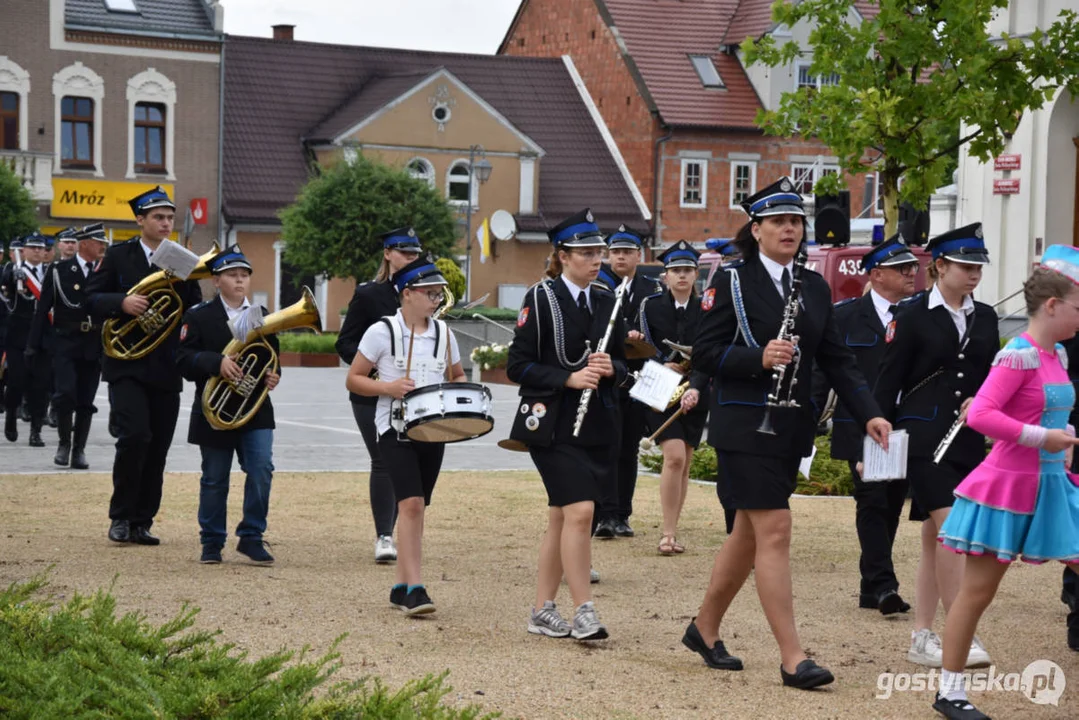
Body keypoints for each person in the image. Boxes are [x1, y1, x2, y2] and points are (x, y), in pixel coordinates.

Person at [687, 178, 891, 688]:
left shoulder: (815, 286)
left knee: (746, 536)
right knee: (774, 530)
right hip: (742, 425)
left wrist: (868, 412)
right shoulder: (729, 281)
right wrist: (757, 358)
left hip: (790, 426)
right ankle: (793, 657)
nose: (790, 229)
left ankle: (703, 628)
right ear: (756, 229)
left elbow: (838, 360)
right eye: (778, 221)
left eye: (796, 221)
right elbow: (706, 354)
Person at [931, 246, 1079, 720]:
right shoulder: (1017, 355)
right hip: (1007, 487)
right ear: (1053, 306)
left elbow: (1047, 413)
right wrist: (1044, 437)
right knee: (977, 593)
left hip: (1052, 486)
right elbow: (980, 414)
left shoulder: (1057, 354)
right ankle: (950, 693)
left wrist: (1064, 439)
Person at [873, 223, 999, 670]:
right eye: (965, 266)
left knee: (934, 537)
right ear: (939, 266)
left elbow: (989, 375)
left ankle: (921, 635)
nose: (973, 275)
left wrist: (983, 399)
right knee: (953, 529)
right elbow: (888, 381)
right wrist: (869, 441)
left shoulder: (986, 316)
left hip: (966, 439)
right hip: (922, 438)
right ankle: (959, 632)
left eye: (978, 267)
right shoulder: (910, 315)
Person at [506, 208, 628, 641]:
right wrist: (568, 377)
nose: (597, 259)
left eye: (600, 251)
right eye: (587, 252)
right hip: (553, 425)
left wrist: (612, 368)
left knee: (561, 517)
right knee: (580, 512)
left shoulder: (606, 300)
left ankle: (541, 610)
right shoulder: (539, 299)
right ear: (562, 255)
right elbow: (517, 367)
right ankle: (584, 611)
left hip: (597, 424)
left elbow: (624, 362)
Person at [346, 257, 464, 616]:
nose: (436, 300)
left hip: (434, 429)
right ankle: (415, 588)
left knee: (418, 506)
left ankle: (400, 586)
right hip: (393, 428)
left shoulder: (444, 333)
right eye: (430, 293)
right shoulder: (381, 331)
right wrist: (389, 386)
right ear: (407, 294)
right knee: (410, 504)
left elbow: (458, 375)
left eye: (438, 294)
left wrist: (455, 395)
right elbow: (354, 379)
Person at [85, 186, 203, 545]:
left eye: (169, 217)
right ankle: (120, 515)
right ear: (141, 220)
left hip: (166, 366)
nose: (166, 223)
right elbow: (90, 298)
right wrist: (122, 302)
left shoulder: (182, 258)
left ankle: (142, 520)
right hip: (127, 367)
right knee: (134, 438)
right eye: (158, 217)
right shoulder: (119, 256)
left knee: (158, 448)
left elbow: (193, 308)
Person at [811, 234, 920, 615]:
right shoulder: (843, 317)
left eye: (912, 266)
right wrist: (807, 425)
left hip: (903, 427)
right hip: (860, 426)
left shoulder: (917, 315)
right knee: (871, 501)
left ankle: (869, 586)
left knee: (891, 505)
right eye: (901, 268)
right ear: (876, 274)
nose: (911, 272)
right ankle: (884, 585)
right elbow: (823, 373)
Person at [176, 247, 280, 566]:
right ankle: (211, 541)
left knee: (262, 469)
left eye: (244, 275)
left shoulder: (259, 314)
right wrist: (216, 363)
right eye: (233, 275)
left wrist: (273, 377)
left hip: (255, 409)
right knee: (214, 477)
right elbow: (182, 360)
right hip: (215, 411)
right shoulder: (198, 315)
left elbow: (270, 356)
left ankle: (251, 536)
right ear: (217, 280)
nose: (239, 280)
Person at [336, 228, 422, 564]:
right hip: (371, 394)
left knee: (409, 461)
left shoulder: (424, 294)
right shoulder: (370, 295)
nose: (411, 259)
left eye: (415, 254)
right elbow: (344, 342)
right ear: (388, 254)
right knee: (384, 459)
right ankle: (384, 536)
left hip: (413, 393)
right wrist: (375, 373)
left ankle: (404, 531)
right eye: (404, 253)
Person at [636, 240, 708, 555]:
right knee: (674, 456)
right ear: (665, 276)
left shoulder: (707, 308)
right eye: (676, 270)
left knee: (686, 460)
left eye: (688, 270)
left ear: (696, 275)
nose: (682, 276)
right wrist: (658, 361)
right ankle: (666, 534)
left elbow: (712, 348)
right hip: (658, 384)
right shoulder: (648, 306)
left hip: (695, 387)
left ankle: (673, 530)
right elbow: (636, 348)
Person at [594, 224, 661, 539]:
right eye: (615, 252)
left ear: (639, 255)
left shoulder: (651, 289)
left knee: (628, 449)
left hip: (640, 377)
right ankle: (603, 514)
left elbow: (660, 331)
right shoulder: (597, 285)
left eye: (627, 252)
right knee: (605, 445)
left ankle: (622, 514)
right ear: (608, 256)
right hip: (607, 375)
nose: (620, 257)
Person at [26, 223, 109, 468]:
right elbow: (42, 310)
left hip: (93, 343)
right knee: (65, 394)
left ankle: (79, 450)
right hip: (65, 341)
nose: (102, 246)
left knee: (86, 399)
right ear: (85, 244)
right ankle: (64, 443)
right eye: (98, 242)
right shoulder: (58, 270)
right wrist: (32, 345)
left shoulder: (105, 271)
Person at [2, 232, 50, 446]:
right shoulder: (14, 270)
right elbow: (6, 286)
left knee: (40, 385)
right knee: (16, 381)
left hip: (42, 336)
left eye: (40, 248)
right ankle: (11, 414)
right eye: (32, 248)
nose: (37, 251)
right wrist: (14, 277)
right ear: (24, 251)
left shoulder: (51, 272)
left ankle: (36, 431)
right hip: (18, 335)